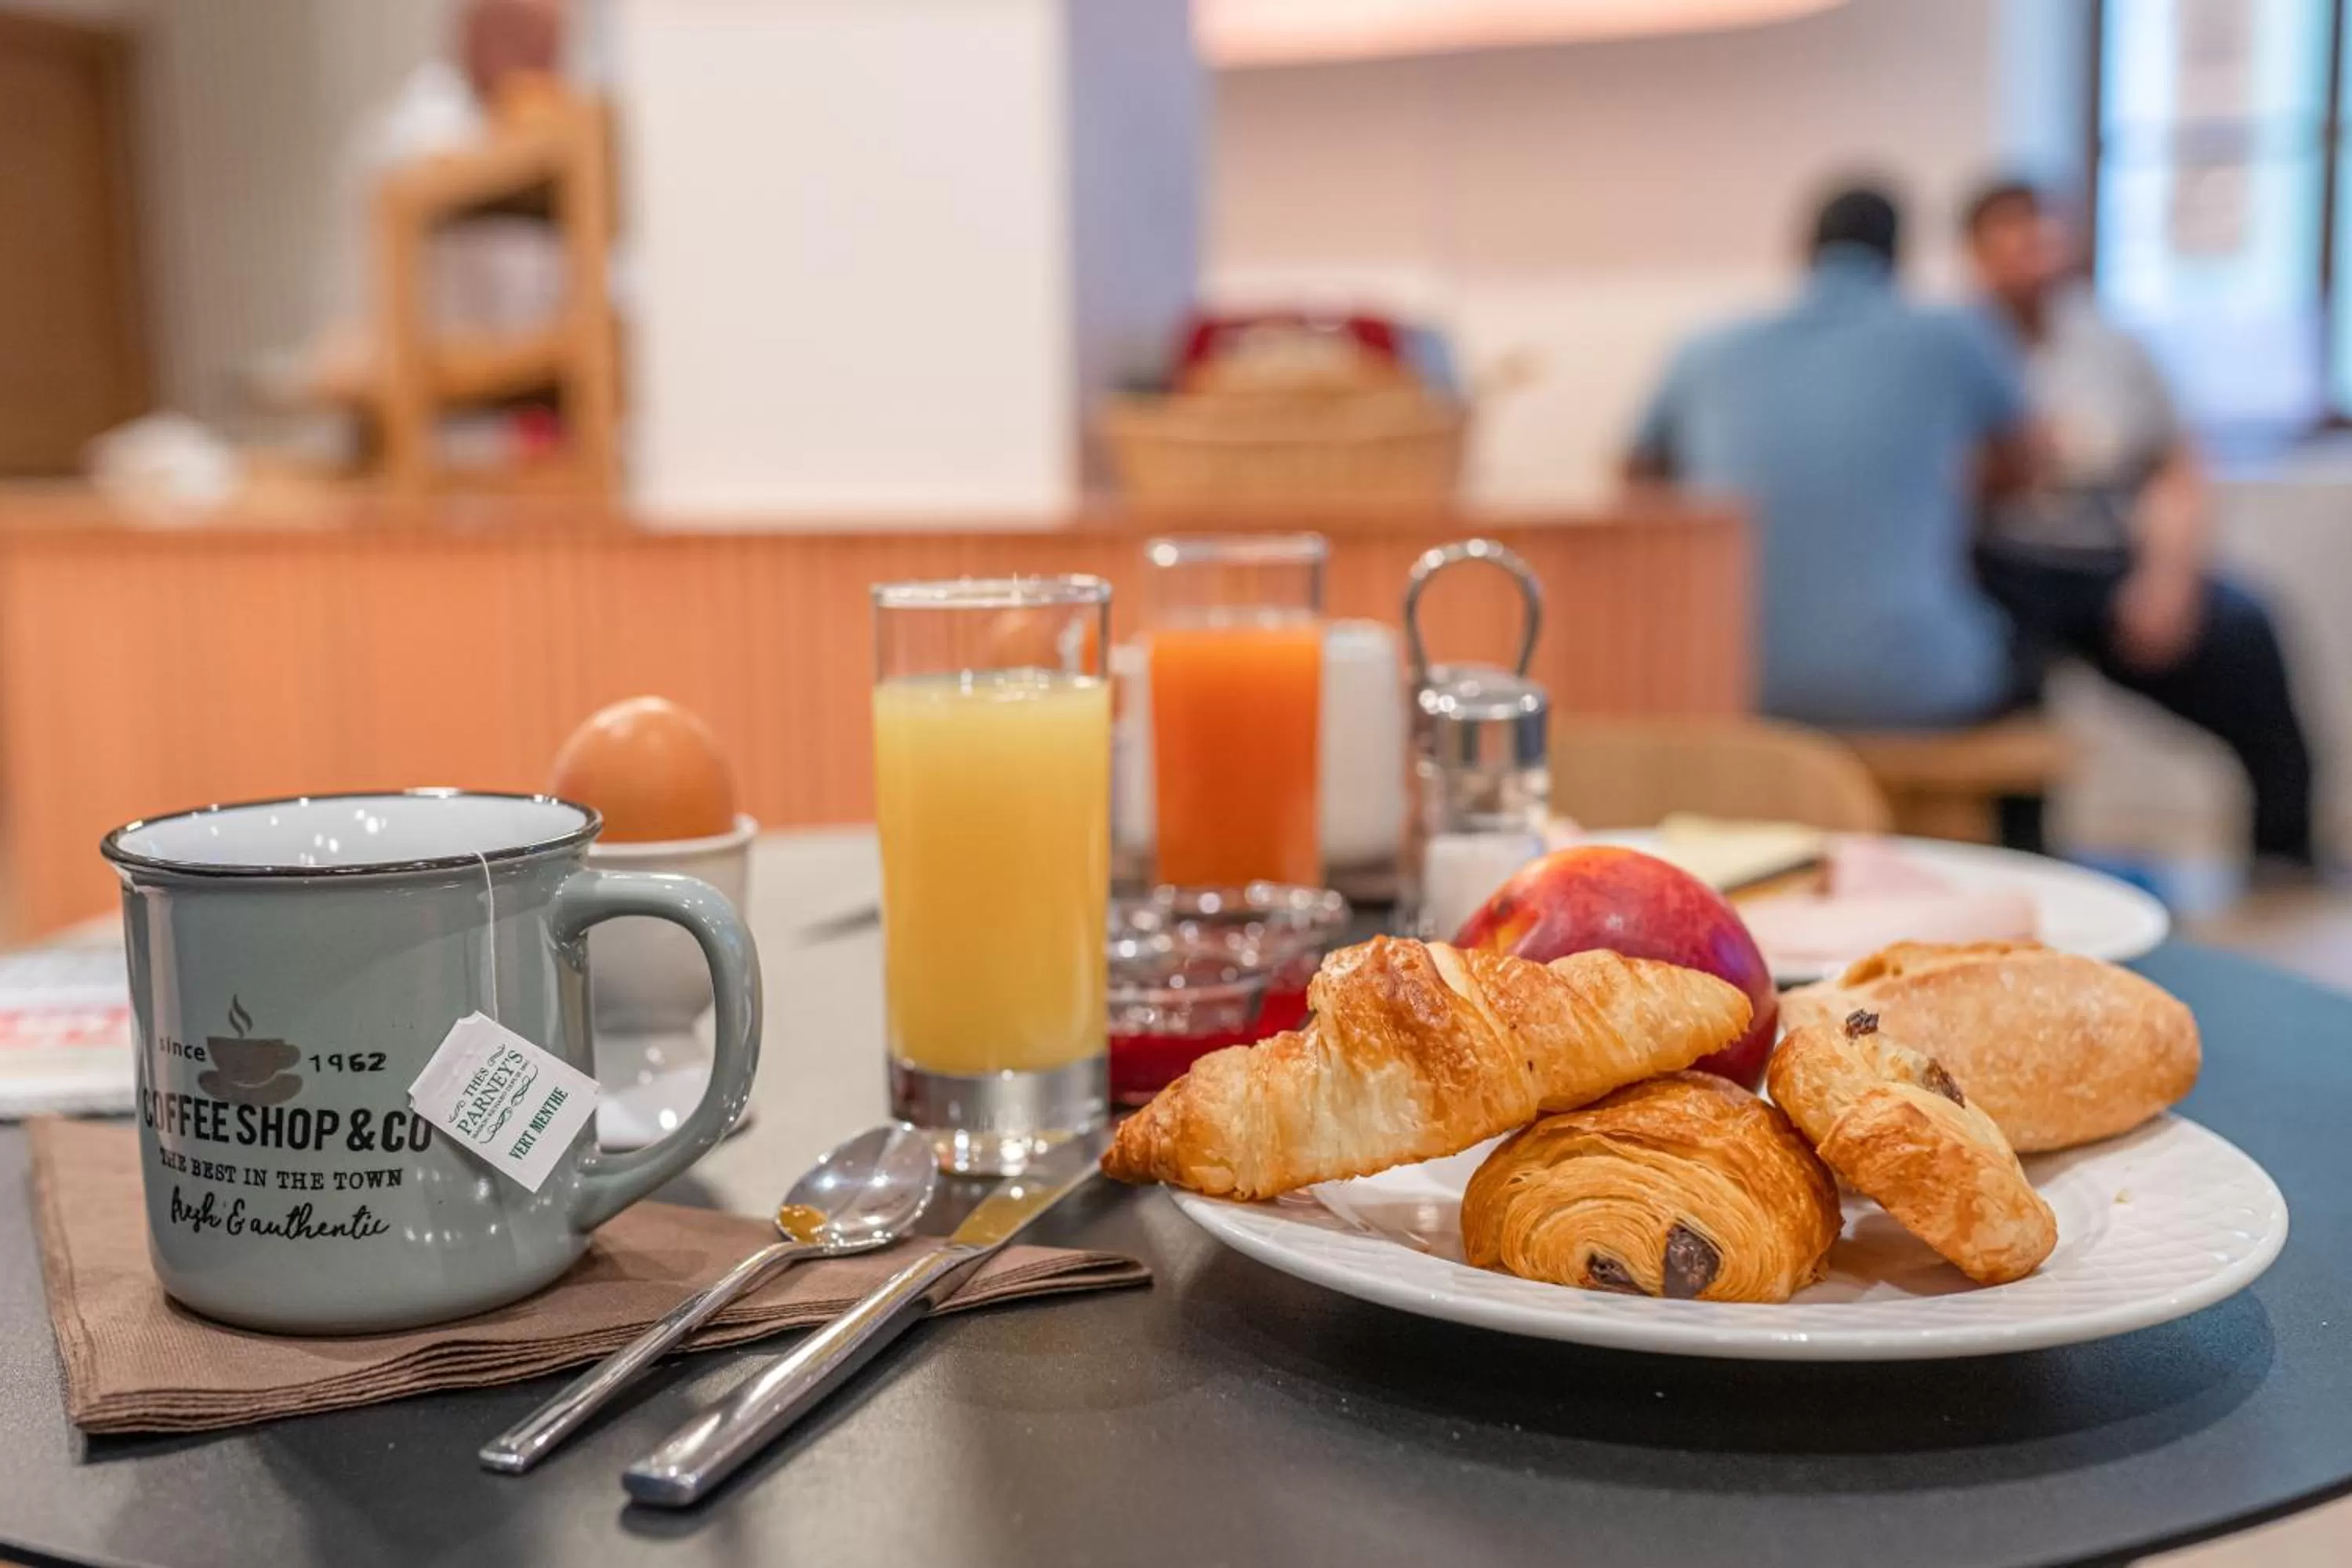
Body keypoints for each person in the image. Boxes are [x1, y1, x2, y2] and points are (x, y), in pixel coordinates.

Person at [1962, 178, 2317, 870]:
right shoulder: (1954, 346)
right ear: (1977, 253)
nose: (2034, 257)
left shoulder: (2111, 346)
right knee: (1999, 682)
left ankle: (2284, 849)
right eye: (2012, 241)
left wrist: (2167, 577)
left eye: (2045, 237)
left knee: (2247, 632)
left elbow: (2177, 468)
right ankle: (2022, 859)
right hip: (1997, 570)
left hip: (2105, 565)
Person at [1625, 184, 2034, 731]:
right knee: (2035, 639)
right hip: (1913, 688)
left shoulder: (1705, 348)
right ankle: (2025, 818)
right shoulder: (1953, 336)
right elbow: (2027, 469)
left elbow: (1635, 478)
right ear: (1901, 257)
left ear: (1803, 251)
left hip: (1728, 678)